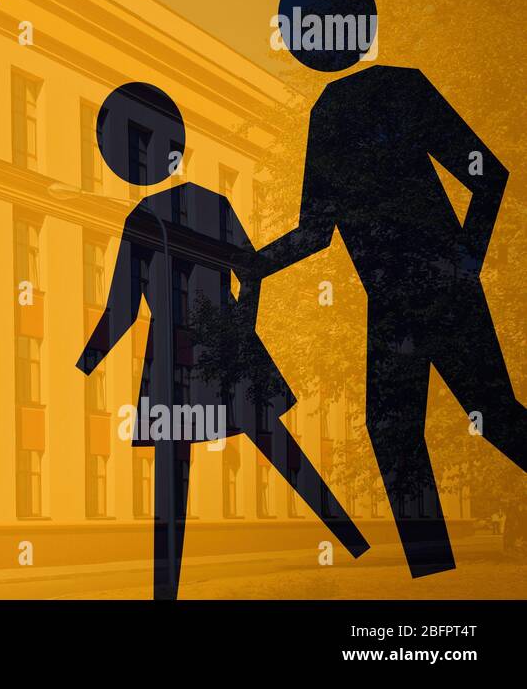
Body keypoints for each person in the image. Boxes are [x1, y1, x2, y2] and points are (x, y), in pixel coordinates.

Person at [259, 0, 527, 577]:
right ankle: (433, 572)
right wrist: (254, 262)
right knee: (421, 428)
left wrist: (464, 261)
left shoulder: (387, 95)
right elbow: (318, 232)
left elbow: (488, 174)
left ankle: (432, 566)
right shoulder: (338, 110)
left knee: (485, 418)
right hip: (401, 301)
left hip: (432, 289)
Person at [78, 81, 368, 600]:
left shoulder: (143, 218)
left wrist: (86, 365)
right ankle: (352, 540)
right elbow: (251, 270)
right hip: (220, 351)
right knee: (276, 448)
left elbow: (121, 309)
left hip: (176, 360)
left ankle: (164, 588)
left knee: (179, 470)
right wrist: (242, 329)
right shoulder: (211, 204)